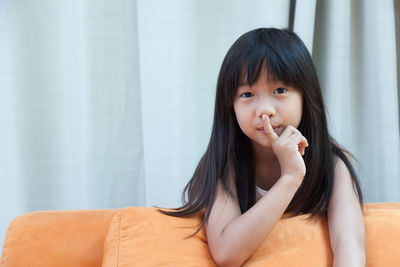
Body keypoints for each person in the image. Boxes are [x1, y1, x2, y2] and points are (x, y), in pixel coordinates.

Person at [157, 27, 366, 266]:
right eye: (247, 94)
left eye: (280, 90)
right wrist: (290, 178)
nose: (265, 109)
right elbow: (226, 254)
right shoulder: (224, 163)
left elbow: (349, 243)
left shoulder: (332, 162)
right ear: (230, 106)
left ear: (306, 96)